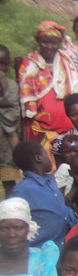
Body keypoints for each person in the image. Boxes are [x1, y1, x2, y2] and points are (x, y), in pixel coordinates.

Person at [18, 22, 78, 154]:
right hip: (38, 130)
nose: (49, 47)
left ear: (59, 43)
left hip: (66, 128)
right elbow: (25, 102)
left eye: (54, 43)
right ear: (38, 41)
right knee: (39, 163)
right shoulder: (29, 64)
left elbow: (76, 93)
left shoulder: (67, 63)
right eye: (45, 42)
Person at [10, 140, 77, 248]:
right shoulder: (23, 190)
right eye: (46, 154)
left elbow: (61, 210)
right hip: (41, 252)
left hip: (62, 247)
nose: (50, 157)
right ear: (38, 158)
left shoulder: (50, 182)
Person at [0, 44, 21, 195]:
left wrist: (3, 83)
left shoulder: (12, 86)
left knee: (9, 178)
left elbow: (12, 105)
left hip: (5, 139)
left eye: (3, 63)